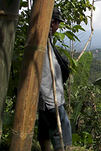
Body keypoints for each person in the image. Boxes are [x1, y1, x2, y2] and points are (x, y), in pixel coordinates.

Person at [38, 8, 72, 151]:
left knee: (45, 130)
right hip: (51, 97)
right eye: (57, 23)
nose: (58, 27)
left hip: (45, 98)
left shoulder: (47, 39)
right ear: (52, 23)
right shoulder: (41, 40)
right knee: (62, 133)